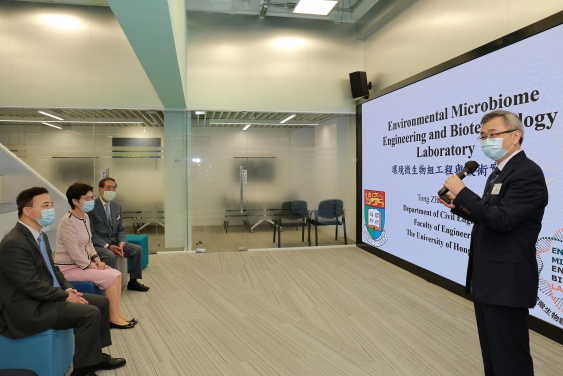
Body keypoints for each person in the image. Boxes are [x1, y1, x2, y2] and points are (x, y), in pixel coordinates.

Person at [438, 110, 548, 376]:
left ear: (515, 136)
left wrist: (463, 192)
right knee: (494, 355)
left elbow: (504, 220)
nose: (487, 140)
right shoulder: (498, 173)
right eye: (483, 136)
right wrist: (459, 205)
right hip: (490, 278)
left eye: (493, 135)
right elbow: (489, 217)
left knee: (510, 358)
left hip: (507, 281)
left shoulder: (527, 173)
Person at [0, 187, 127, 376]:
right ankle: (83, 370)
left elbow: (54, 270)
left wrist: (68, 289)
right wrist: (64, 296)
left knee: (101, 302)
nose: (51, 209)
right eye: (45, 205)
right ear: (27, 211)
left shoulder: (39, 235)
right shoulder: (14, 242)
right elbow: (30, 285)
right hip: (28, 307)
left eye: (51, 204)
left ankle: (95, 357)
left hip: (45, 297)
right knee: (89, 313)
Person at [55, 183, 136, 329]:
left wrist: (97, 259)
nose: (91, 200)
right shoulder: (68, 221)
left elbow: (89, 243)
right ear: (75, 201)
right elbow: (74, 252)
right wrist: (91, 265)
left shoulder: (84, 216)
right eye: (87, 198)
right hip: (67, 268)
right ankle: (111, 318)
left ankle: (116, 314)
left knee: (117, 274)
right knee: (110, 276)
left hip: (81, 264)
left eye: (92, 197)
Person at [88, 178, 149, 292]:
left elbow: (121, 229)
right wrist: (108, 246)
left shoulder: (116, 206)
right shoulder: (91, 207)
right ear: (100, 190)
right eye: (108, 188)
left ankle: (133, 282)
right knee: (109, 255)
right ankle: (108, 286)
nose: (112, 190)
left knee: (137, 249)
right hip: (99, 244)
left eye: (114, 188)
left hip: (115, 241)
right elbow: (91, 233)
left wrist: (121, 243)